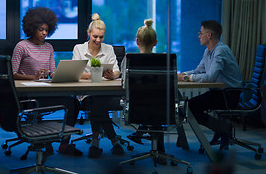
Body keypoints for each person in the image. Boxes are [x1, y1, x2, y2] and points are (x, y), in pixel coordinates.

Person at [11, 7, 82, 156]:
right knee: (69, 103)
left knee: (73, 103)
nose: (44, 33)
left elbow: (52, 71)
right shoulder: (21, 46)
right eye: (40, 29)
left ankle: (64, 143)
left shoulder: (49, 47)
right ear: (32, 28)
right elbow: (12, 73)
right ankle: (45, 138)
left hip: (44, 92)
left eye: (46, 30)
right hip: (28, 96)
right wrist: (32, 77)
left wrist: (60, 75)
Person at [177, 20, 243, 150]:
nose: (198, 36)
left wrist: (186, 78)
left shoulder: (220, 51)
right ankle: (222, 129)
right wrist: (182, 74)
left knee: (189, 107)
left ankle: (223, 129)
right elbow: (198, 71)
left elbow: (210, 77)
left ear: (209, 35)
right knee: (187, 106)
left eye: (200, 33)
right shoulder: (208, 51)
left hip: (228, 95)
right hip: (218, 93)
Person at [72, 13, 125, 158]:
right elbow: (76, 72)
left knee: (98, 103)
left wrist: (112, 75)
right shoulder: (79, 49)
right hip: (86, 94)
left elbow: (117, 71)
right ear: (89, 33)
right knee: (96, 103)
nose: (98, 40)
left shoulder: (108, 49)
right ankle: (114, 141)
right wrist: (95, 75)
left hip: (107, 93)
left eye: (101, 37)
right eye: (95, 36)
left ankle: (95, 142)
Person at [121, 19, 166, 164]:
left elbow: (124, 86)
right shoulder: (164, 60)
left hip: (136, 108)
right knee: (156, 105)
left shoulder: (129, 60)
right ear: (155, 42)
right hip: (163, 108)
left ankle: (141, 131)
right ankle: (161, 150)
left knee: (149, 105)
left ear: (137, 41)